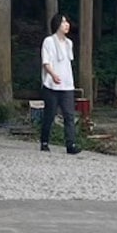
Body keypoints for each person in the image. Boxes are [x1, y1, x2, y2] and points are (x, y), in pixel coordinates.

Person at [40, 13, 80, 155]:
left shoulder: (69, 43)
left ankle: (71, 144)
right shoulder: (49, 41)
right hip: (51, 85)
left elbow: (67, 62)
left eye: (67, 22)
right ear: (57, 24)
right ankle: (44, 141)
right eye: (63, 22)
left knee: (69, 115)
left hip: (67, 85)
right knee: (50, 115)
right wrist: (53, 74)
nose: (66, 25)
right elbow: (46, 62)